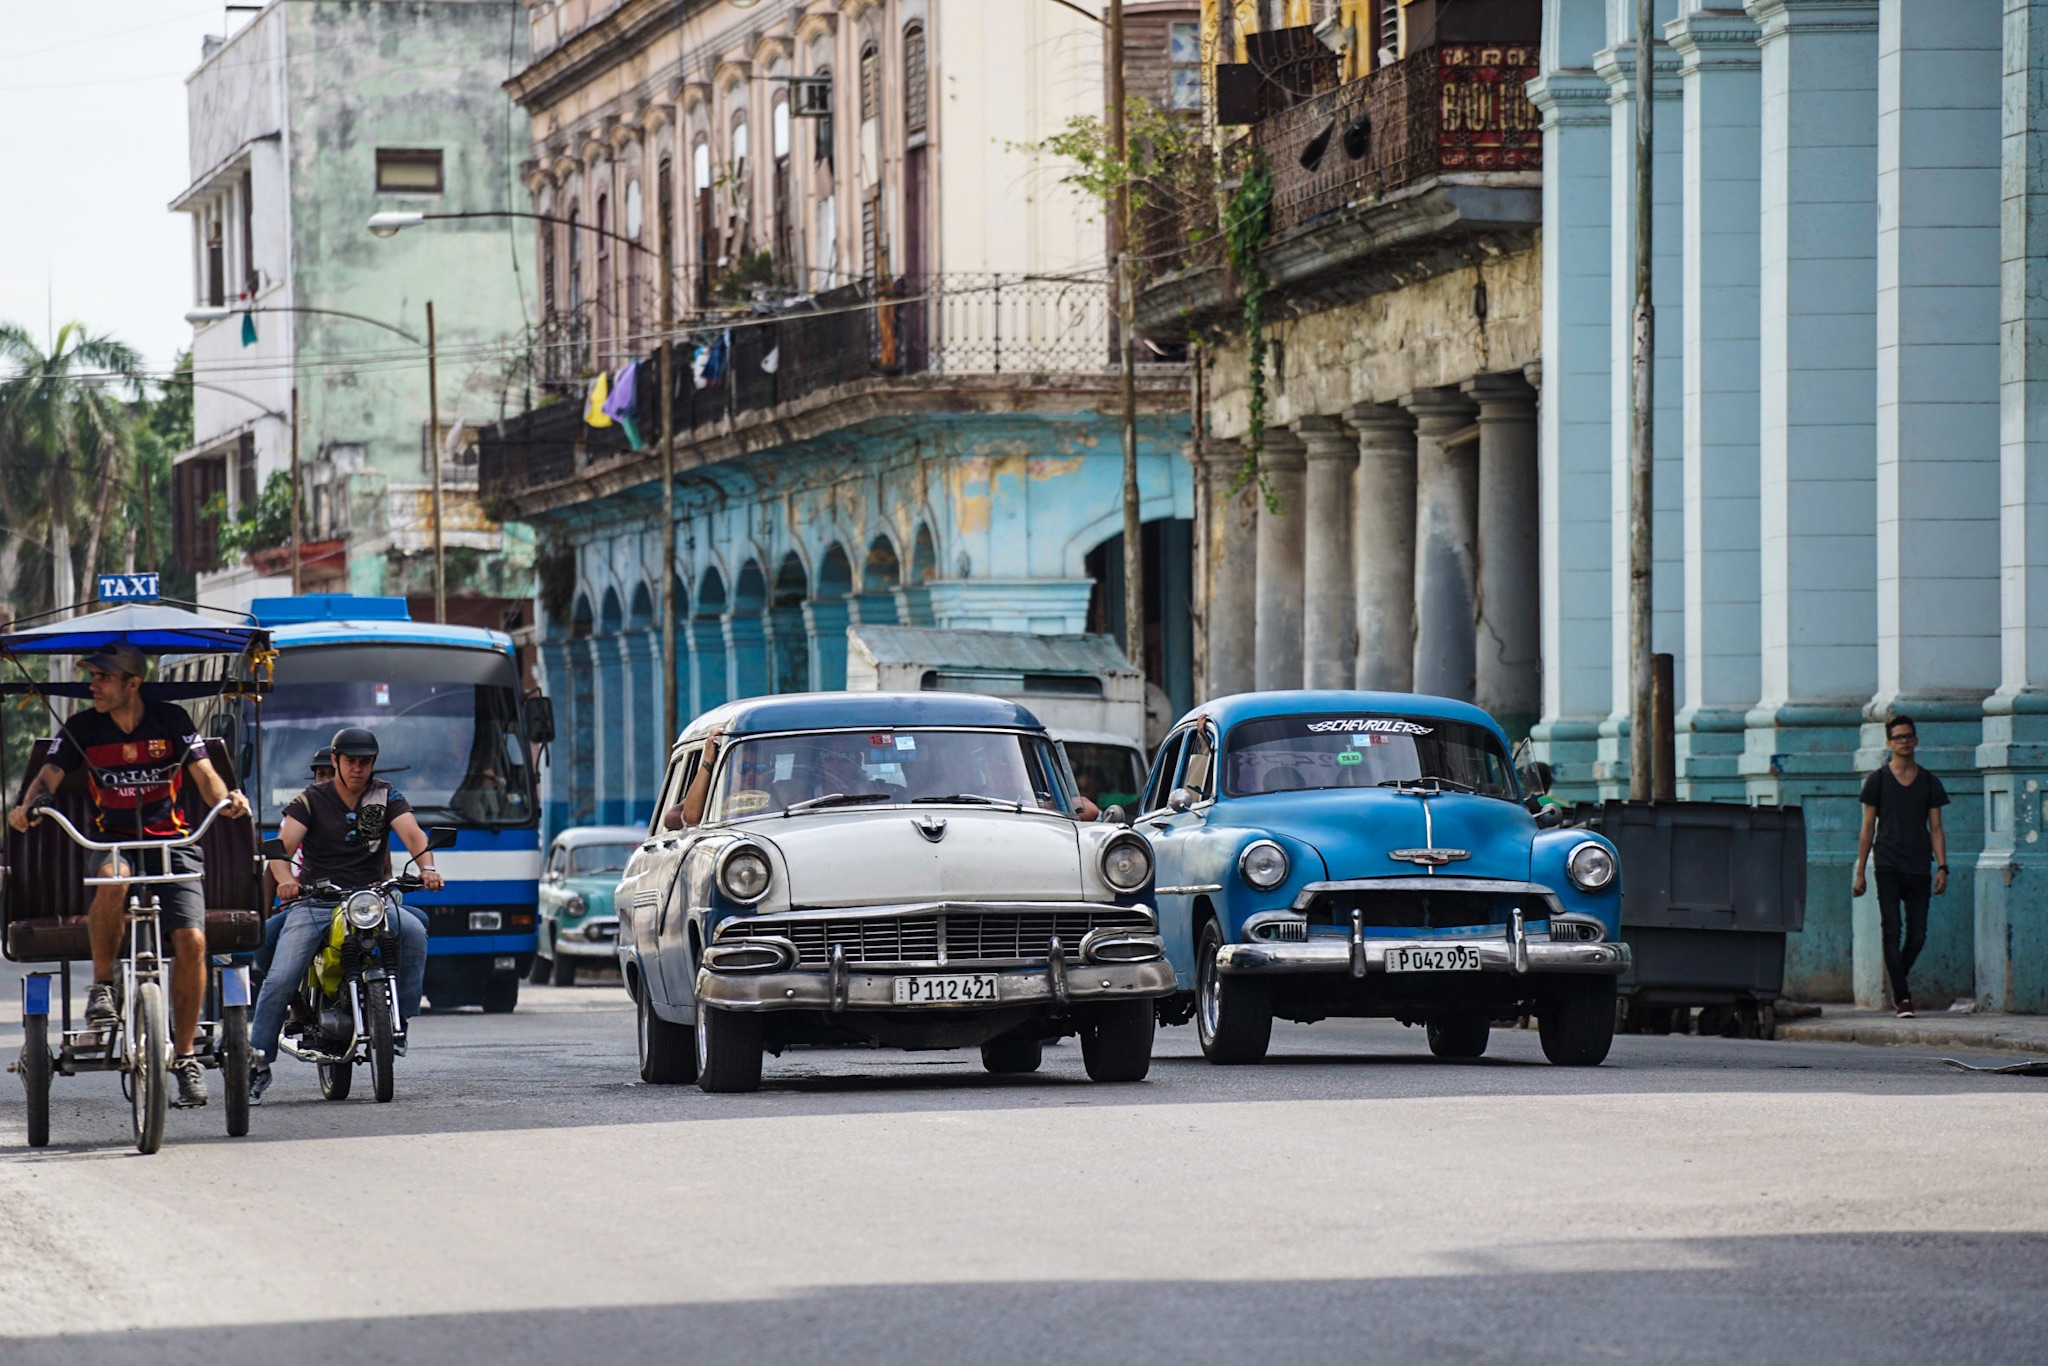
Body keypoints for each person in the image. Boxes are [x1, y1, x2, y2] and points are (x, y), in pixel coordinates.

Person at [4, 644, 251, 1108]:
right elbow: (48, 777)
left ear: (132, 683)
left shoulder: (172, 722)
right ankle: (102, 987)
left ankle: (183, 1057)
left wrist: (229, 798)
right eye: (91, 676)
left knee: (193, 944)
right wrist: (27, 807)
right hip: (110, 843)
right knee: (113, 880)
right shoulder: (82, 728)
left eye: (101, 676)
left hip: (173, 843)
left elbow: (206, 777)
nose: (92, 685)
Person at [248, 727, 442, 1101]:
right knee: (281, 976)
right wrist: (287, 879)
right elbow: (282, 848)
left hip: (370, 899)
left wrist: (428, 868)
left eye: (365, 762)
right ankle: (257, 1062)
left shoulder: (385, 795)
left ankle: (398, 1023)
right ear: (335, 762)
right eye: (350, 761)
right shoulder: (310, 800)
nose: (357, 769)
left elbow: (414, 835)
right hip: (316, 902)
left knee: (415, 933)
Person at [1852, 714, 1950, 1018]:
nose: (1904, 742)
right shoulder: (1877, 781)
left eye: (1908, 736)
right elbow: (1868, 828)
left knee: (1918, 935)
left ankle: (1897, 979)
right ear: (1888, 743)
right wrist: (1860, 873)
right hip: (1887, 863)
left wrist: (1943, 867)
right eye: (1898, 737)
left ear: (1916, 740)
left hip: (1920, 865)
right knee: (1892, 930)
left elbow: (1936, 828)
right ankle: (1903, 998)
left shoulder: (1929, 782)